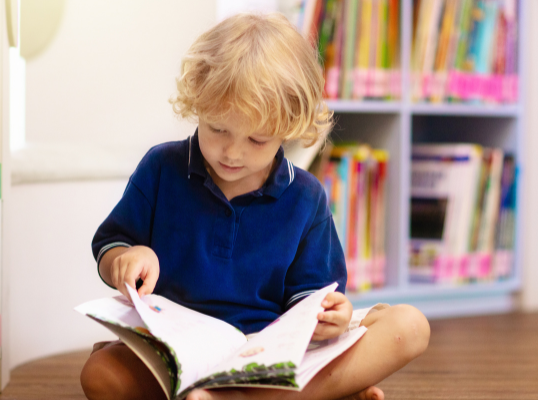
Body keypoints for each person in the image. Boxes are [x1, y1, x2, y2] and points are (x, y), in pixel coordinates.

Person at [80, 12, 429, 400]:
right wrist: (125, 259)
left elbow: (312, 300)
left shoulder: (306, 196)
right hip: (176, 352)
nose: (232, 152)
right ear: (198, 102)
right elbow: (111, 245)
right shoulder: (161, 168)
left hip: (268, 358)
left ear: (289, 128)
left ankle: (241, 395)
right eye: (218, 129)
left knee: (410, 326)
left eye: (257, 140)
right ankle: (315, 393)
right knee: (101, 375)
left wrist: (333, 317)